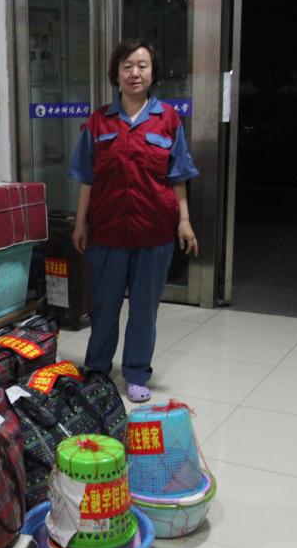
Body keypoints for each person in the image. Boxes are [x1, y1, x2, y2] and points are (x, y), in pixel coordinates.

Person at [67, 40, 199, 403]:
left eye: (142, 65)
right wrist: (80, 223)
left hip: (155, 232)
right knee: (104, 305)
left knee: (144, 309)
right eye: (127, 66)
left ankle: (137, 373)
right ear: (117, 73)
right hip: (107, 231)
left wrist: (184, 221)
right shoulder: (99, 121)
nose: (135, 73)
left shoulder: (168, 119)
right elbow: (87, 177)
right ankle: (98, 369)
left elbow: (178, 176)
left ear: (153, 72)